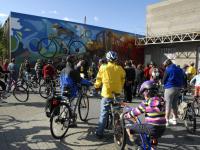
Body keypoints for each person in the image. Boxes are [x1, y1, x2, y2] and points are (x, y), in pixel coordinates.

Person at [124, 80, 166, 149]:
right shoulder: (162, 100)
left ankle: (137, 146)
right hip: (162, 127)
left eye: (143, 93)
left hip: (152, 128)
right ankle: (153, 147)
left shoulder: (147, 102)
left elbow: (136, 112)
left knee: (128, 128)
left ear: (147, 92)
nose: (144, 96)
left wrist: (126, 116)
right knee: (154, 136)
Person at [94, 50, 125, 138]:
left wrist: (96, 86)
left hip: (107, 94)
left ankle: (100, 133)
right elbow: (123, 78)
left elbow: (99, 79)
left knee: (104, 113)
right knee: (118, 112)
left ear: (107, 59)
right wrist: (120, 87)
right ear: (116, 59)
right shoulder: (120, 68)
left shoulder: (103, 67)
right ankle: (120, 130)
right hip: (117, 94)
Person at [162, 59, 184, 126]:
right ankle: (174, 119)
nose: (165, 67)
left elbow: (164, 80)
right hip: (178, 88)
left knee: (168, 104)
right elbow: (183, 77)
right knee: (175, 104)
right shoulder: (179, 69)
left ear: (167, 65)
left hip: (170, 87)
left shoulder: (168, 70)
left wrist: (163, 83)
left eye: (165, 66)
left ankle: (167, 120)